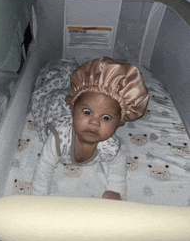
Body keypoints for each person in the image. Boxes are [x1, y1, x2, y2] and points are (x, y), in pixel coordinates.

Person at [31, 57, 149, 200]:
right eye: (87, 112)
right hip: (54, 107)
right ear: (72, 108)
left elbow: (118, 163)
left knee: (84, 98)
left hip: (77, 103)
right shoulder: (58, 138)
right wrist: (38, 198)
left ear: (120, 122)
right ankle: (65, 69)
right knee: (45, 92)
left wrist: (114, 189)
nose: (94, 122)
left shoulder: (110, 145)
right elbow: (44, 167)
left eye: (106, 117)